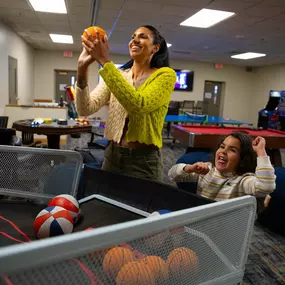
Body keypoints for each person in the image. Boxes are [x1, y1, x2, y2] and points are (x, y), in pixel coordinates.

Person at [75, 25, 176, 181]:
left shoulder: (165, 76)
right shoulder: (118, 75)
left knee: (139, 205)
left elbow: (138, 105)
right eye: (133, 36)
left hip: (143, 161)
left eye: (143, 36)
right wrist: (82, 68)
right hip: (112, 155)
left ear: (155, 48)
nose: (135, 39)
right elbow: (85, 108)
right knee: (106, 204)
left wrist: (104, 60)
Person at [168, 132, 276, 201]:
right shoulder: (207, 170)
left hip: (222, 230)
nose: (223, 151)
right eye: (222, 146)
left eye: (232, 150)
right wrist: (190, 168)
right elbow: (172, 175)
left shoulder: (243, 181)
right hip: (200, 222)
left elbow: (266, 186)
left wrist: (261, 151)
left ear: (243, 160)